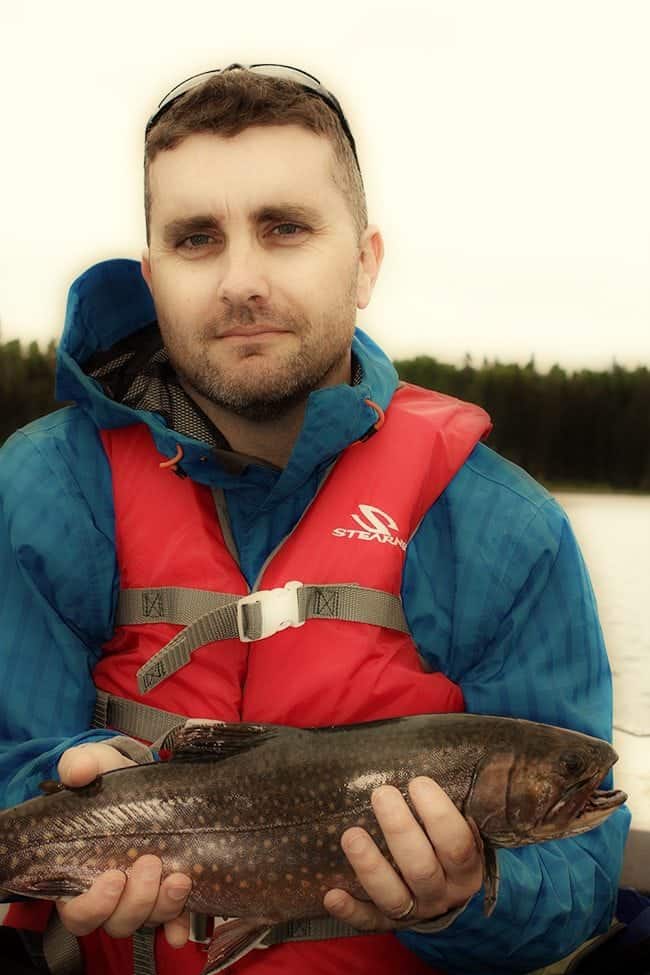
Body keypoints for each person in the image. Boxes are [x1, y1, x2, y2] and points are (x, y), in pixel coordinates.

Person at [0, 63, 630, 975]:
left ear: (365, 260)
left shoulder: (505, 531)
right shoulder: (45, 489)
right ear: (151, 272)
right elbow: (10, 752)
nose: (241, 280)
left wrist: (474, 893)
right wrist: (58, 787)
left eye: (285, 229)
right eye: (196, 239)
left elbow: (580, 881)